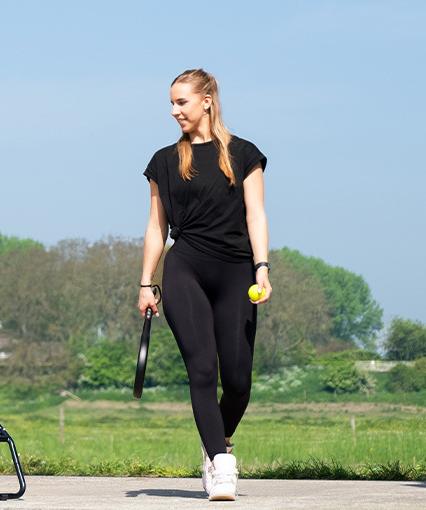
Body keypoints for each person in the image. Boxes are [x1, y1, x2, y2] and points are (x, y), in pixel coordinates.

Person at [137, 68, 271, 502]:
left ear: (207, 100)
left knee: (237, 382)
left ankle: (215, 441)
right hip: (186, 268)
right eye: (172, 103)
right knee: (201, 367)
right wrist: (146, 283)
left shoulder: (244, 154)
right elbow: (156, 229)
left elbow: (256, 214)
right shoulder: (164, 161)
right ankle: (221, 463)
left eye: (182, 102)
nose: (174, 110)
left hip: (236, 271)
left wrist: (262, 267)